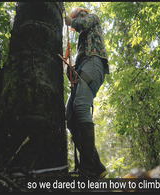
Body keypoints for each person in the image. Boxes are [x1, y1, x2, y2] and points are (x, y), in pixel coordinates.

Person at [65, 7, 109, 179]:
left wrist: (71, 21)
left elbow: (84, 23)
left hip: (94, 63)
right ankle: (96, 166)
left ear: (82, 14)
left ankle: (88, 168)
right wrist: (72, 70)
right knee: (70, 117)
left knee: (81, 107)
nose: (74, 28)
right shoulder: (82, 41)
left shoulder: (92, 18)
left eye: (76, 19)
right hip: (84, 68)